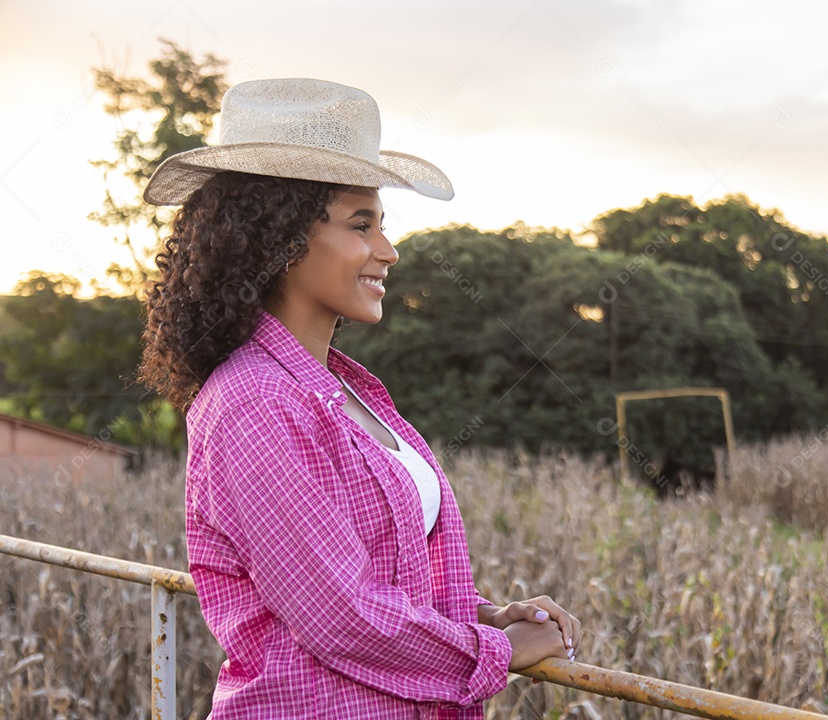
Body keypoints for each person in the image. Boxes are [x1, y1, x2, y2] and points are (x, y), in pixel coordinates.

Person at [139, 78, 579, 719]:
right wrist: (497, 649)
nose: (388, 250)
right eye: (360, 224)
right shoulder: (254, 402)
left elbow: (374, 569)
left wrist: (481, 613)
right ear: (280, 241)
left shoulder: (344, 390)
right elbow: (337, 614)